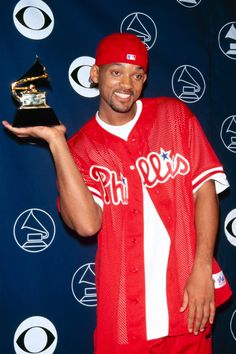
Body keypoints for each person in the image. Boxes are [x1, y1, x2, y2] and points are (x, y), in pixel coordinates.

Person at [2, 33, 232, 354]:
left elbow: (204, 191)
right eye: (116, 72)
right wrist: (57, 143)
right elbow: (86, 225)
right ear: (95, 74)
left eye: (137, 75)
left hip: (185, 304)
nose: (127, 83)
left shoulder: (174, 117)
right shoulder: (80, 149)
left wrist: (202, 269)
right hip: (124, 318)